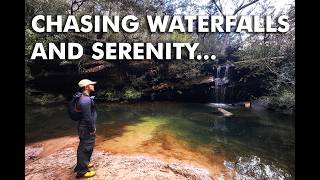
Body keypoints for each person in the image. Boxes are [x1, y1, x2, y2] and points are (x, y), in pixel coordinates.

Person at [73, 79, 98, 178]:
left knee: (85, 147)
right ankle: (82, 171)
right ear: (86, 87)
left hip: (84, 127)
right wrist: (92, 129)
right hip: (86, 128)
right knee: (85, 148)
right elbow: (87, 118)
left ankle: (84, 163)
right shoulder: (85, 100)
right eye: (91, 84)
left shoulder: (84, 97)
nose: (93, 85)